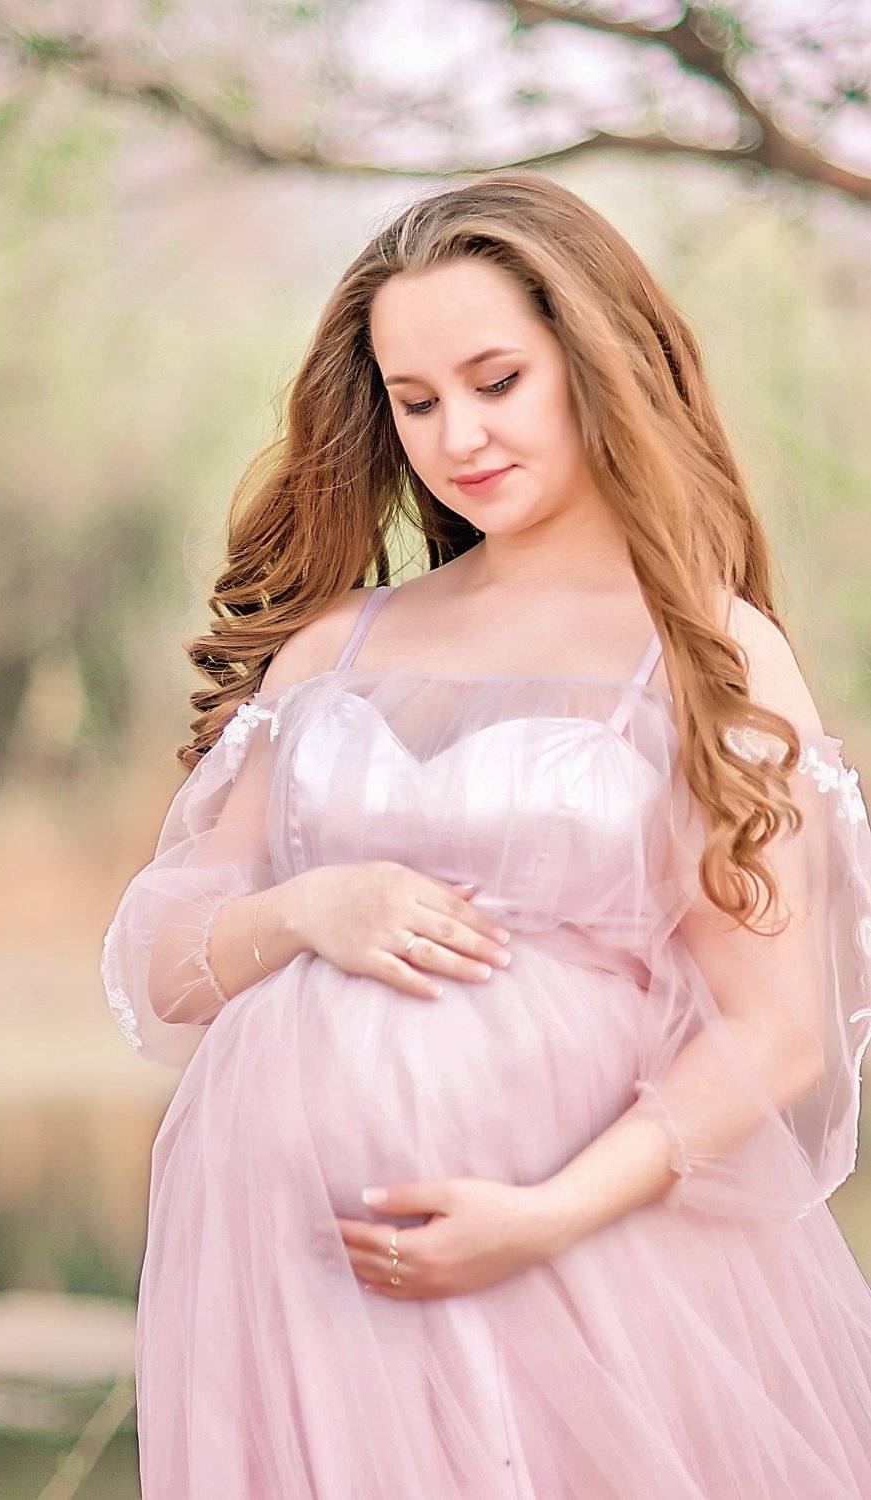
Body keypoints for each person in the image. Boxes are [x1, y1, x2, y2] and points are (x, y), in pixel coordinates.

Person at [100, 172, 871, 1497]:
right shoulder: (336, 646)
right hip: (288, 1268)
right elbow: (163, 963)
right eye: (414, 401)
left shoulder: (704, 651)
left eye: (496, 380)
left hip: (575, 1256)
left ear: (599, 364)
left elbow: (776, 1030)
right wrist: (307, 908)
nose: (457, 435)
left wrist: (542, 1217)